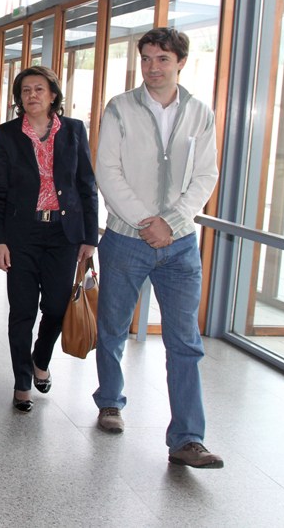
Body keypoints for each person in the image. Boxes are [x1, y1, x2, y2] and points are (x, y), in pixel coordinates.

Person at [93, 27, 222, 469]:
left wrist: (171, 222)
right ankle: (110, 400)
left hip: (180, 245)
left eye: (162, 59)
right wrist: (146, 221)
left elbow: (206, 175)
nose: (152, 67)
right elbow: (107, 170)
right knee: (112, 326)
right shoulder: (120, 109)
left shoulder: (199, 113)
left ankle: (187, 437)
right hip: (126, 241)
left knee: (185, 340)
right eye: (146, 58)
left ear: (181, 62)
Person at [0, 65, 98, 412]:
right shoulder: (6, 135)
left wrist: (90, 236)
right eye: (25, 91)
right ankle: (22, 382)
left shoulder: (75, 131)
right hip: (22, 234)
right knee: (21, 310)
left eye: (39, 89)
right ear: (19, 98)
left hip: (63, 234)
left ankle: (40, 358)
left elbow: (86, 185)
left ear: (53, 95)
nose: (32, 95)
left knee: (56, 305)